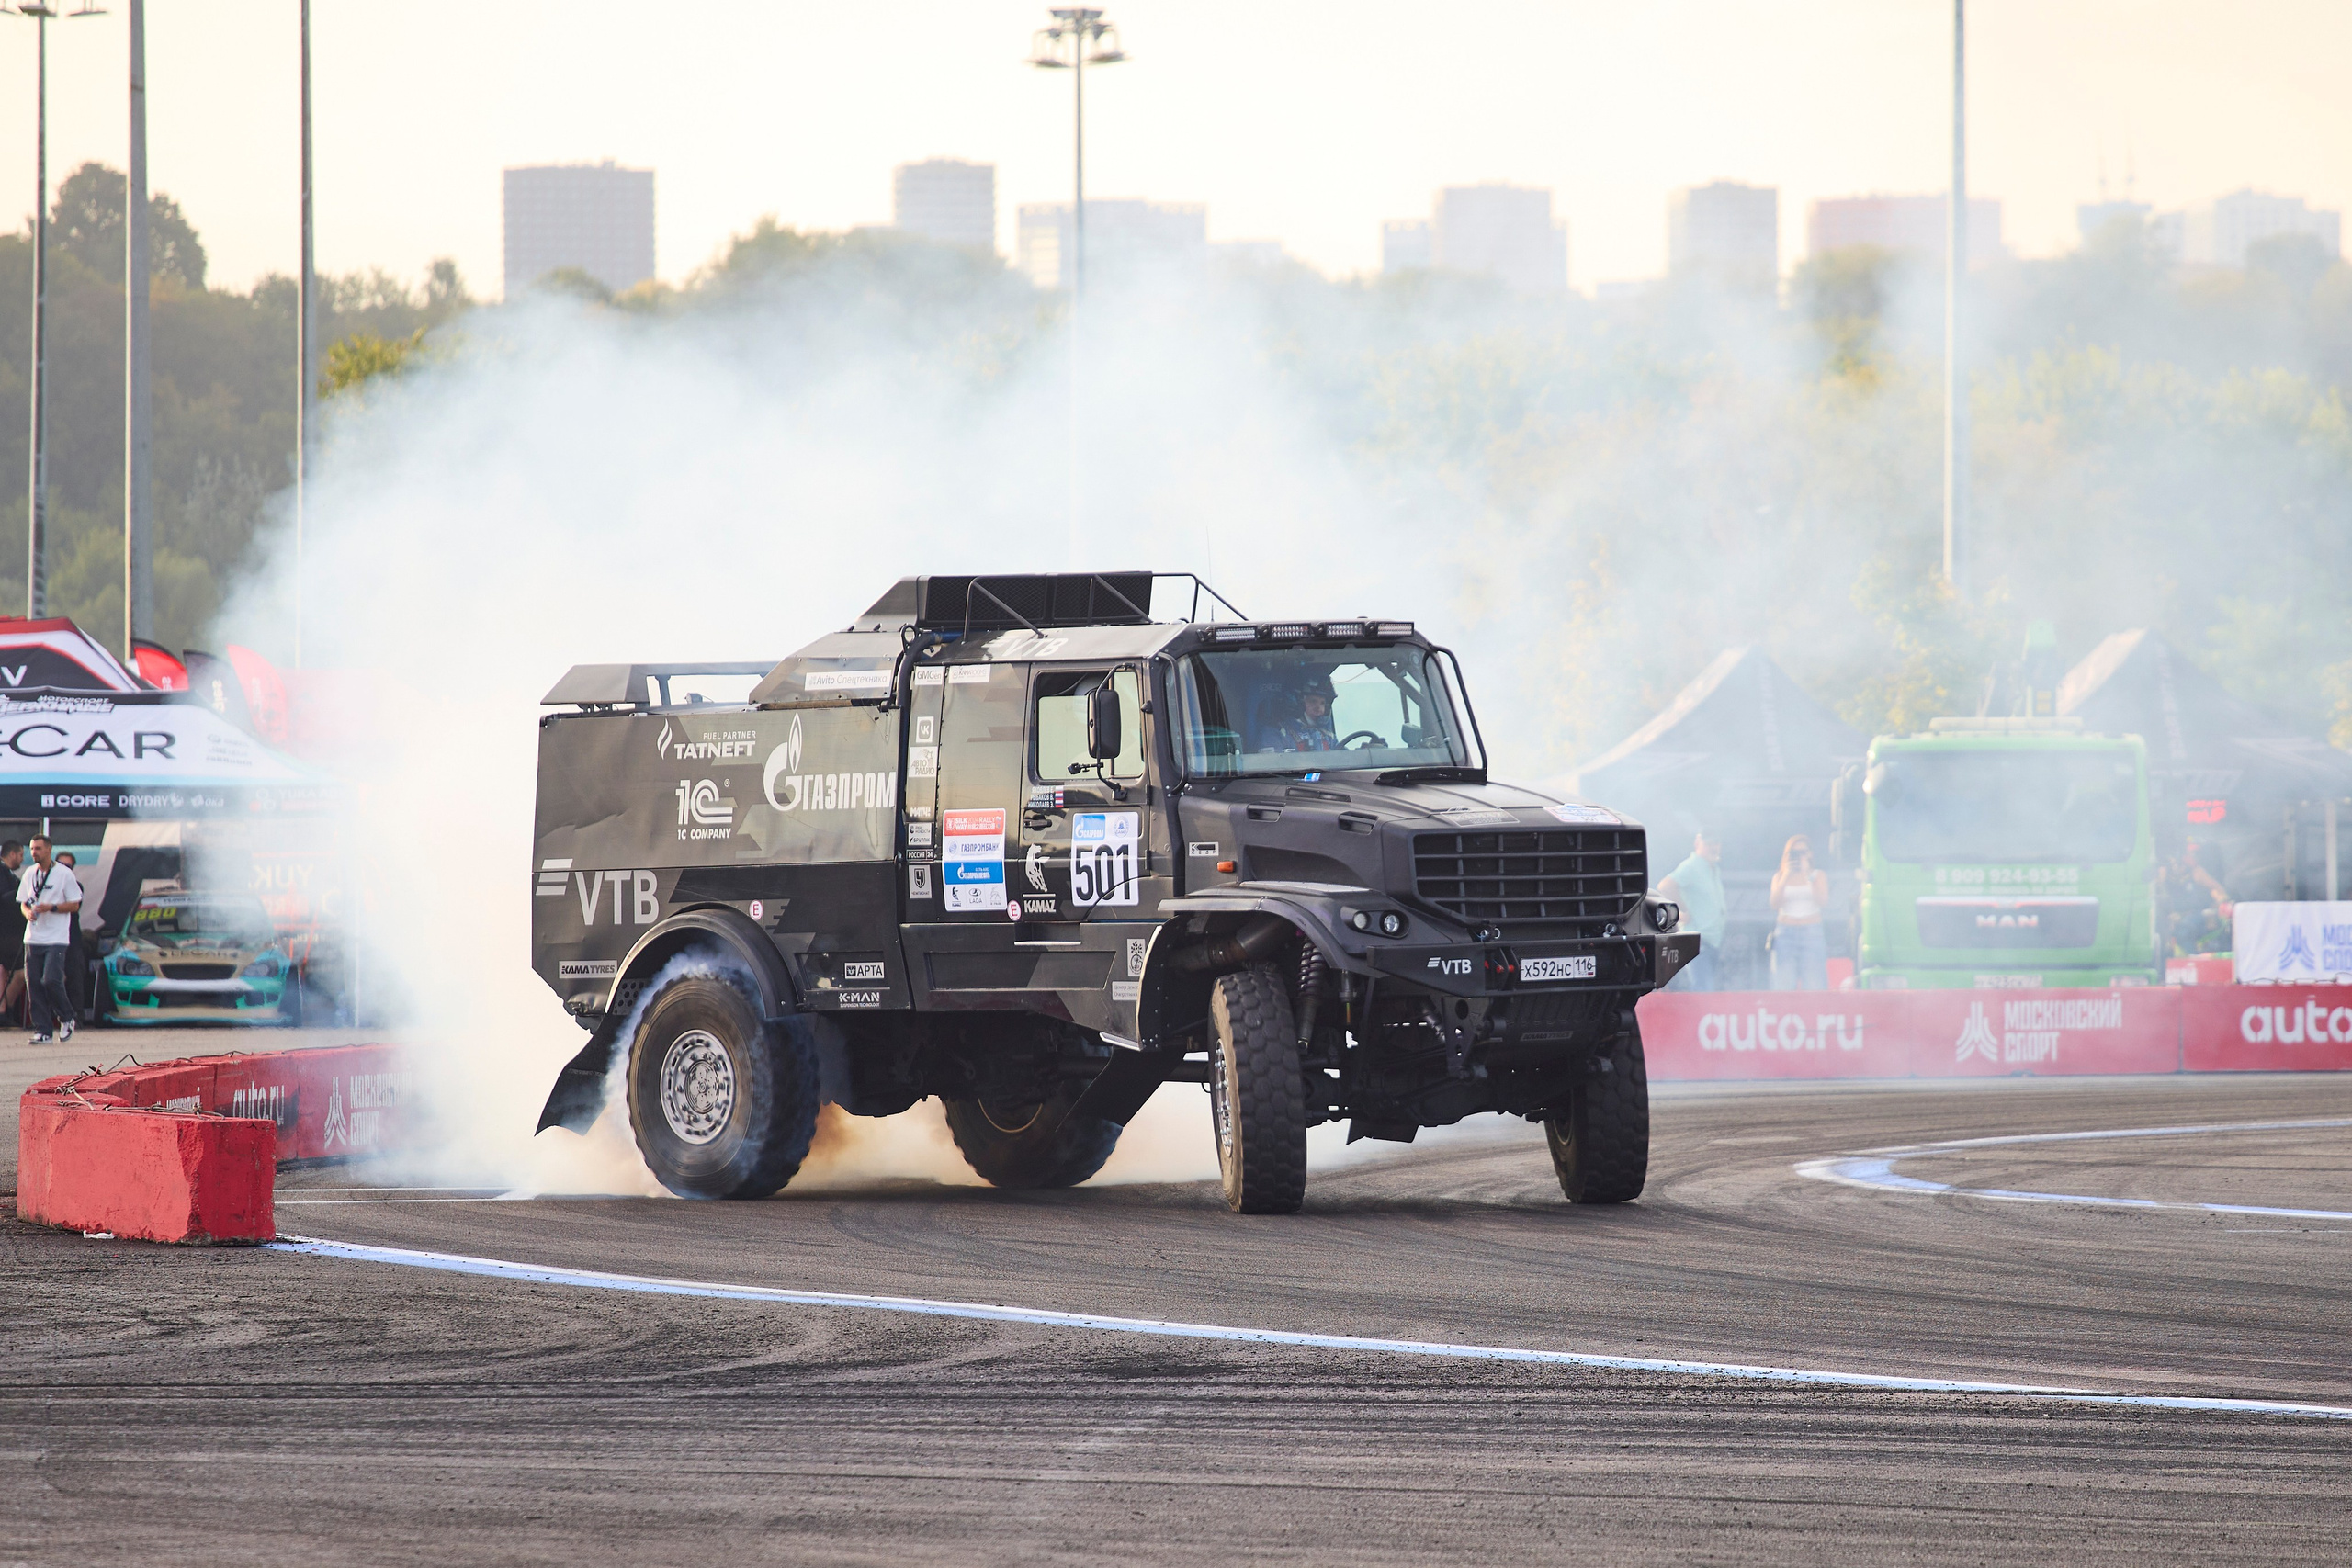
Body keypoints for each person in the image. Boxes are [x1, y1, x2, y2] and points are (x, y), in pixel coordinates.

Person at [18, 835, 82, 1043]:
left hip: (56, 937)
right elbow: (23, 902)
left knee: (51, 979)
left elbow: (75, 905)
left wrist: (52, 907)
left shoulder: (64, 874)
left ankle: (67, 1016)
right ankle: (43, 1030)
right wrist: (27, 913)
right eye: (31, 848)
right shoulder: (29, 873)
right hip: (33, 937)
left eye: (37, 848)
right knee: (34, 984)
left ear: (49, 850)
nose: (33, 852)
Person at [1657, 829, 1727, 991]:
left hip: (1711, 942)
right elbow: (1665, 886)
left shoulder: (1712, 868)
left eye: (1716, 843)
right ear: (1698, 844)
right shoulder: (1692, 866)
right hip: (1698, 942)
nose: (1713, 847)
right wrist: (1683, 910)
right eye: (1708, 843)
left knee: (1708, 991)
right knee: (1702, 992)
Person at [1769, 834, 1829, 991]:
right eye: (1794, 853)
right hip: (1786, 932)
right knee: (1784, 984)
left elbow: (1822, 901)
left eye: (1803, 852)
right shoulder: (1779, 877)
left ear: (1810, 854)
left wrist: (1807, 874)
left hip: (1811, 931)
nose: (1799, 856)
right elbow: (1774, 903)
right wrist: (1786, 875)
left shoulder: (1818, 875)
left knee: (1814, 983)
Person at [1257, 675, 1340, 753]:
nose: (1318, 707)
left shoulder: (1329, 737)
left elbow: (1344, 758)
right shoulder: (1277, 732)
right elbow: (1271, 764)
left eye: (1322, 703)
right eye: (1313, 701)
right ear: (1297, 702)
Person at [0, 840, 23, 1026]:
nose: (22, 859)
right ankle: (4, 1011)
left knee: (7, 972)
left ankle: (6, 1010)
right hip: (6, 933)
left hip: (9, 932)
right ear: (13, 854)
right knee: (4, 971)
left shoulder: (8, 874)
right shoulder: (2, 873)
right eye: (22, 855)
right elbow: (6, 900)